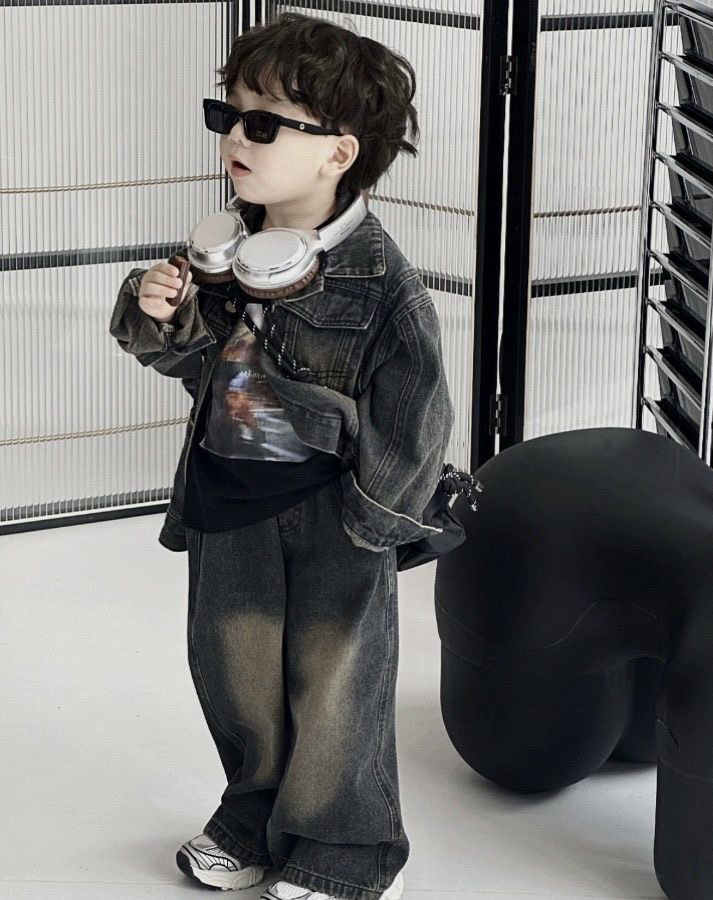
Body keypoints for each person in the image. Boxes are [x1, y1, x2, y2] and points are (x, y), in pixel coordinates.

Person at [108, 12, 454, 900]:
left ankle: (346, 850)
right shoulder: (225, 248)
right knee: (236, 672)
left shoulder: (385, 286)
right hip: (228, 503)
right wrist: (161, 312)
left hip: (334, 515)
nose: (236, 137)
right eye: (227, 115)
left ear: (339, 153)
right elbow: (200, 366)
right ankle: (253, 817)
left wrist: (375, 523)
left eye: (263, 124)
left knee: (335, 684)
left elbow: (417, 416)